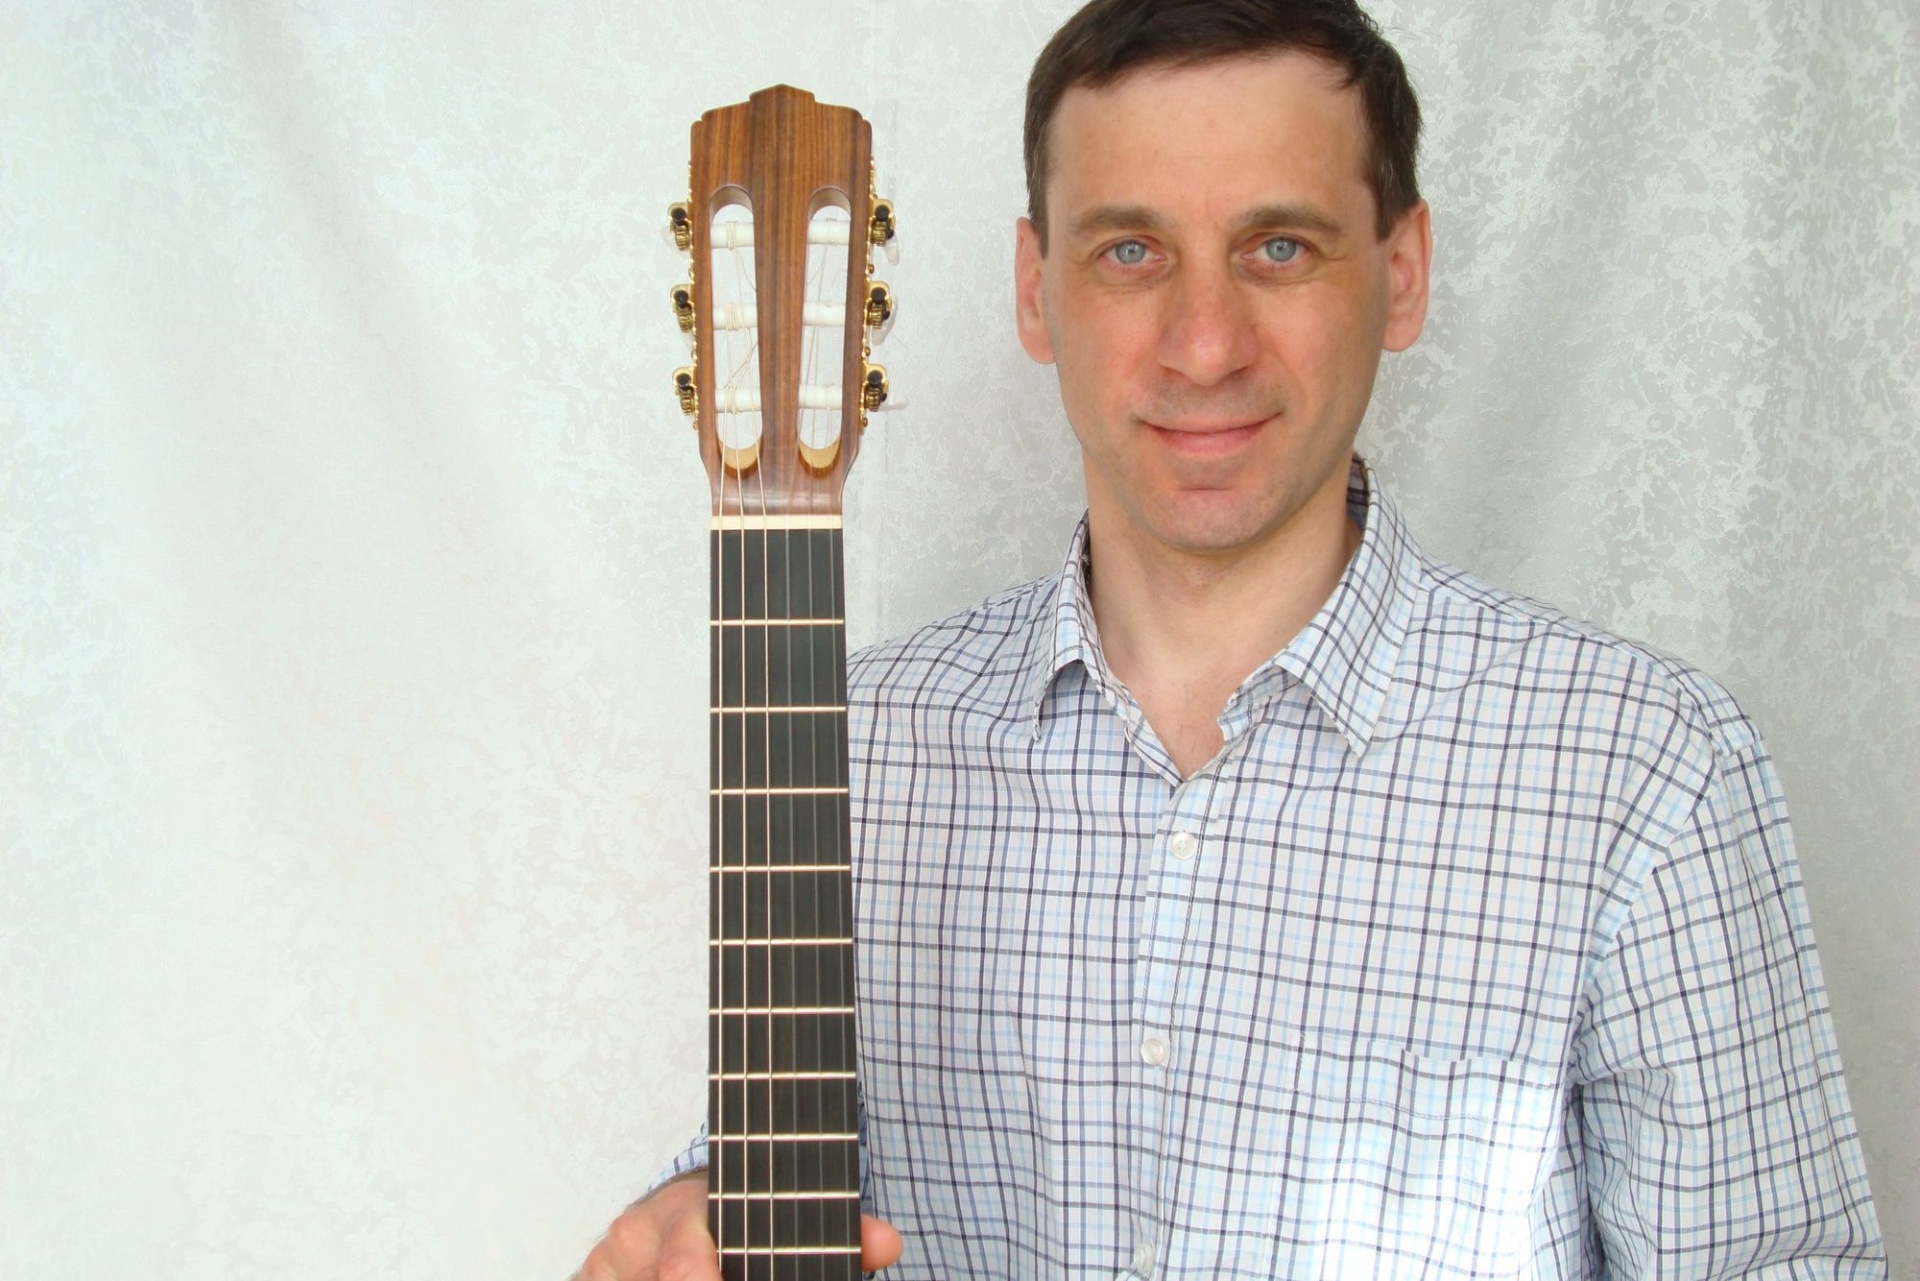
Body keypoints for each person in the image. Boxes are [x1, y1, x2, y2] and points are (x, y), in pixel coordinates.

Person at [578, 0, 1885, 1276]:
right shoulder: (849, 746)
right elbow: (763, 1183)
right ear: (1036, 291)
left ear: (1403, 272)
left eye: (1279, 247)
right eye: (1130, 252)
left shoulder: (1647, 777)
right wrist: (690, 1222)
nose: (1205, 347)